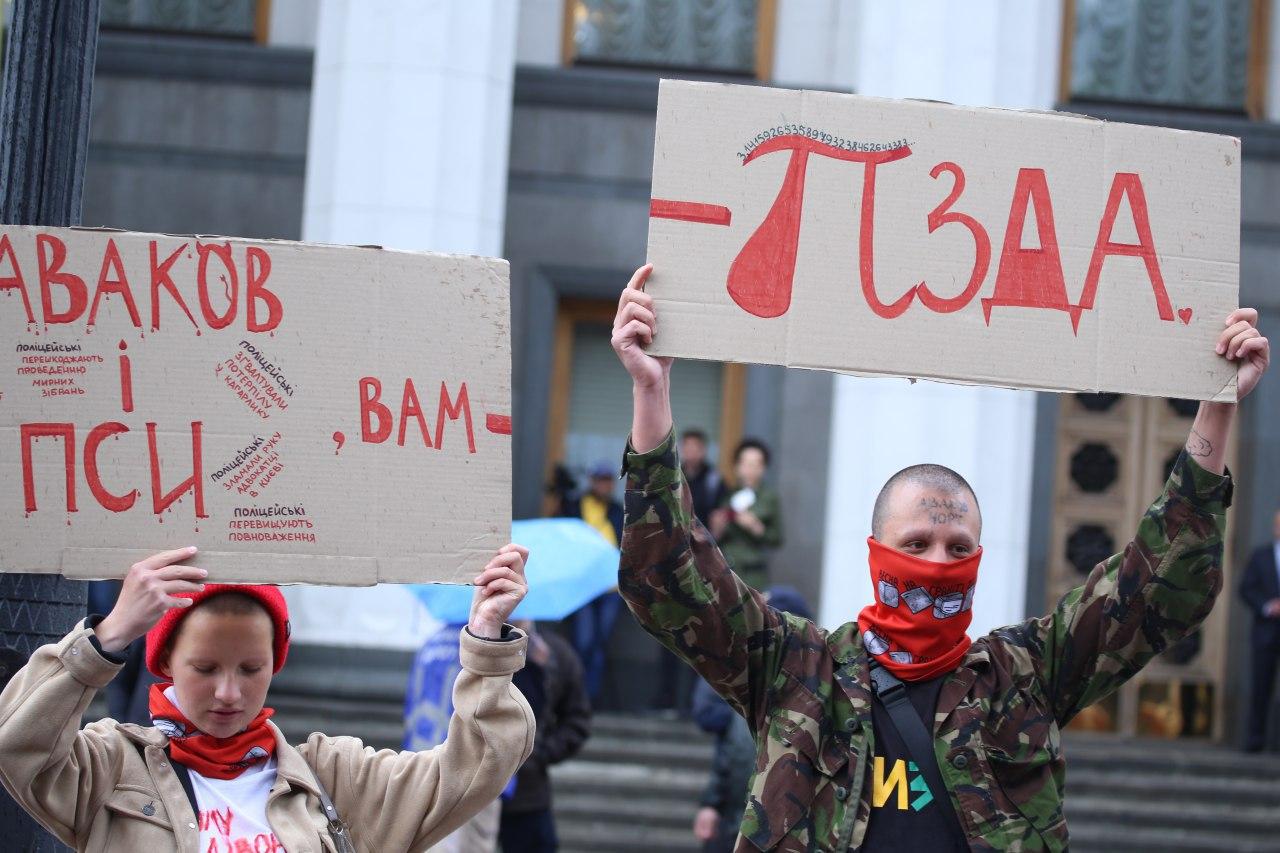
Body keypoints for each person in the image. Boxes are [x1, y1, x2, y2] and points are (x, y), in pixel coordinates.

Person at [610, 262, 1267, 851]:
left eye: (958, 548)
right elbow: (666, 576)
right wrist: (650, 392)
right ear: (877, 554)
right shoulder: (797, 671)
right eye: (916, 544)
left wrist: (1215, 410)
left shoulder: (1024, 678)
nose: (937, 562)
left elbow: (1158, 589)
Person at [0, 544, 536, 852]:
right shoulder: (111, 767)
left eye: (251, 669)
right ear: (165, 663)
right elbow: (16, 742)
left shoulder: (333, 778)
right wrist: (109, 635)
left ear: (275, 664)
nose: (229, 692)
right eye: (205, 668)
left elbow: (475, 767)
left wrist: (487, 639)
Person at [691, 587, 814, 852]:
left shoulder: (814, 699)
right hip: (734, 825)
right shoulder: (751, 686)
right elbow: (729, 754)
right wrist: (711, 805)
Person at [501, 621, 592, 852]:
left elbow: (577, 719)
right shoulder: (467, 650)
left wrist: (540, 753)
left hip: (528, 796)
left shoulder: (554, 653)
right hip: (471, 797)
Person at [709, 438, 783, 589]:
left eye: (755, 464)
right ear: (737, 466)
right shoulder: (728, 495)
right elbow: (716, 537)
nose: (750, 470)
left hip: (752, 571)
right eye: (746, 464)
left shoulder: (769, 498)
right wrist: (717, 527)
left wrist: (756, 528)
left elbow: (776, 538)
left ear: (763, 468)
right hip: (727, 567)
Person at [1239, 509, 1280, 751]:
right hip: (1265, 633)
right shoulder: (1260, 556)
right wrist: (1267, 606)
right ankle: (1256, 740)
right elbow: (1246, 589)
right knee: (1261, 687)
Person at [682, 428, 728, 528]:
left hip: (705, 533)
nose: (691, 453)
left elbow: (722, 511)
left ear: (704, 450)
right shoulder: (673, 476)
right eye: (688, 448)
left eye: (695, 448)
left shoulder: (714, 479)